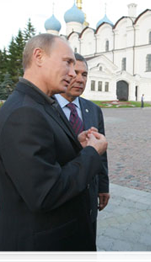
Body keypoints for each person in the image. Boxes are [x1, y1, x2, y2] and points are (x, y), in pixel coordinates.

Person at [0, 34, 108, 262]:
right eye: (67, 62)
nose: (74, 73)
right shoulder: (24, 113)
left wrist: (78, 143)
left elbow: (51, 154)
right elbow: (46, 193)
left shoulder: (43, 103)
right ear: (39, 56)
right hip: (41, 250)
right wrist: (91, 153)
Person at [54, 53, 110, 261]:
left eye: (85, 74)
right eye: (75, 73)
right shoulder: (47, 107)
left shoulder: (93, 110)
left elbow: (101, 153)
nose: (80, 79)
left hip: (89, 196)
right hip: (60, 195)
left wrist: (103, 186)